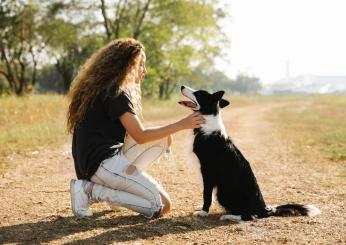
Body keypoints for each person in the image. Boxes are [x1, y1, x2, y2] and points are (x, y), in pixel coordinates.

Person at [67, 38, 205, 219]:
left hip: (96, 163)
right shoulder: (116, 93)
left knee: (164, 139)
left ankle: (112, 187)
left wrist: (171, 131)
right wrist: (182, 124)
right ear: (128, 65)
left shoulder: (103, 89)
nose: (144, 71)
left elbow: (136, 134)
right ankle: (91, 191)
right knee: (162, 206)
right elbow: (140, 136)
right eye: (141, 65)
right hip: (101, 166)